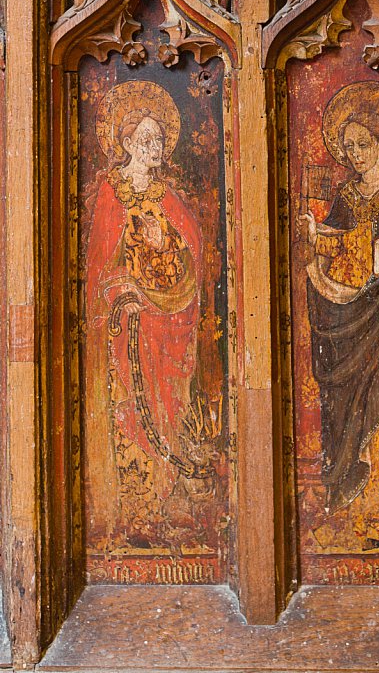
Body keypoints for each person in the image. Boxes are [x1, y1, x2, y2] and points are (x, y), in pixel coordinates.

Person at [298, 83, 379, 541]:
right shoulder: (346, 194)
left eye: (362, 145)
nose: (355, 155)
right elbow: (334, 238)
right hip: (350, 313)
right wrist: (315, 231)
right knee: (347, 402)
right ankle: (348, 509)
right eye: (348, 147)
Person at [84, 81, 203, 543]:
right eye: (148, 140)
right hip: (128, 326)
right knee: (132, 406)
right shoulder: (111, 194)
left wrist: (166, 241)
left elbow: (193, 249)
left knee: (168, 405)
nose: (157, 148)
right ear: (129, 143)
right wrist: (124, 291)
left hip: (167, 321)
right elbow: (99, 265)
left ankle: (165, 498)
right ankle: (136, 507)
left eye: (160, 140)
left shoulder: (166, 196)